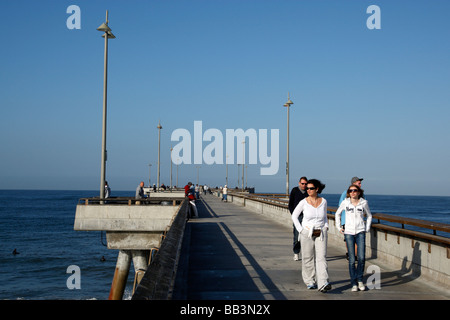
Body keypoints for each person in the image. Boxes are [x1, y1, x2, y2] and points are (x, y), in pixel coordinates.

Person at [291, 179, 331, 293]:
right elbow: (294, 216)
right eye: (307, 188)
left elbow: (324, 217)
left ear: (317, 189)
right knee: (308, 258)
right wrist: (301, 230)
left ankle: (323, 282)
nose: (308, 190)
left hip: (321, 232)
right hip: (307, 232)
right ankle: (310, 281)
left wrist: (326, 226)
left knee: (321, 257)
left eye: (311, 188)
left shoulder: (323, 201)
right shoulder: (303, 202)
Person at [335, 184, 372, 292]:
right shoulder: (345, 202)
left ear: (359, 192)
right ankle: (353, 283)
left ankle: (360, 280)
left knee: (361, 258)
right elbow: (337, 213)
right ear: (348, 192)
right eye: (350, 191)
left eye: (355, 190)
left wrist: (367, 228)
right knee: (351, 260)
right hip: (349, 233)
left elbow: (369, 215)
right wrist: (339, 227)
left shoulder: (364, 203)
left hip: (360, 232)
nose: (353, 192)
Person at [339, 177, 364, 260]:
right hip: (347, 220)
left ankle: (354, 256)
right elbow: (341, 206)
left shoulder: (362, 194)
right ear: (353, 183)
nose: (360, 185)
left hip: (358, 221)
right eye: (358, 183)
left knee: (356, 239)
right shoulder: (345, 193)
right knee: (348, 239)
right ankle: (350, 254)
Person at [288, 177, 308, 261]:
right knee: (296, 235)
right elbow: (290, 204)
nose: (304, 185)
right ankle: (296, 253)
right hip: (298, 216)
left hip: (307, 217)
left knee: (307, 236)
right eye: (302, 183)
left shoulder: (309, 191)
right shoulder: (295, 190)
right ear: (299, 183)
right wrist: (294, 214)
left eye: (305, 184)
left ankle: (306, 254)